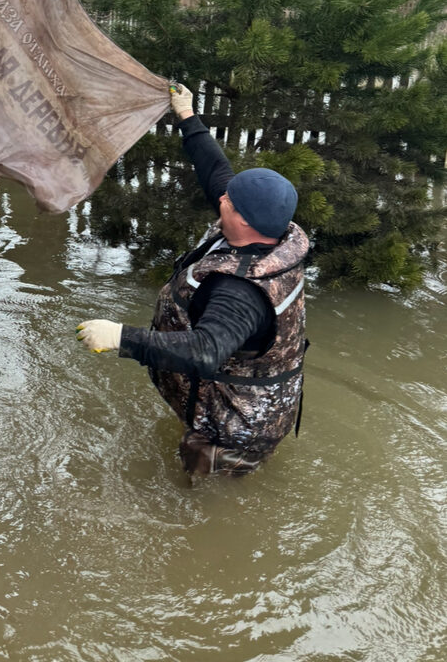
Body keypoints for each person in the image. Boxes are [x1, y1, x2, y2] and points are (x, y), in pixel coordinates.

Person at [76, 81, 309, 477]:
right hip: (241, 398)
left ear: (247, 221)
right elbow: (217, 173)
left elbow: (205, 351)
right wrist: (188, 116)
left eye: (229, 203)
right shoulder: (269, 231)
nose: (221, 199)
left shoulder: (241, 290)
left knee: (203, 500)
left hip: (234, 427)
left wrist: (122, 338)